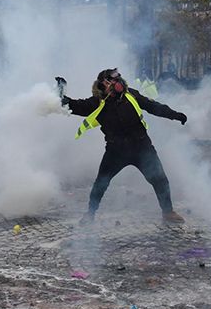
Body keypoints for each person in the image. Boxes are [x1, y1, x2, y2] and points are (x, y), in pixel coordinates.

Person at [59, 68, 187, 224]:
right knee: (101, 183)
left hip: (142, 148)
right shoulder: (97, 102)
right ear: (104, 84)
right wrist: (60, 96)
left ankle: (168, 213)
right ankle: (90, 214)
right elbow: (74, 106)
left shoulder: (131, 95)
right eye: (113, 79)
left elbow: (153, 107)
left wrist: (175, 115)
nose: (118, 81)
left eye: (119, 77)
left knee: (160, 179)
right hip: (116, 151)